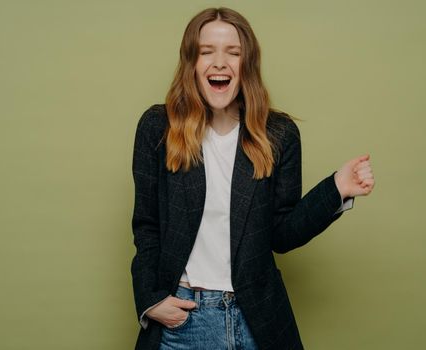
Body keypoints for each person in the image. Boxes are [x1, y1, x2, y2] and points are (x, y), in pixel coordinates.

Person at [130, 7, 375, 350]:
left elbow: (281, 234)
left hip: (257, 320)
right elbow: (147, 225)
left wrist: (336, 189)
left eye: (234, 52)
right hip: (184, 322)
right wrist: (152, 301)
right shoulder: (158, 128)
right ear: (191, 64)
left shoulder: (278, 134)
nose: (220, 63)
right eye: (206, 52)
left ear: (248, 65)